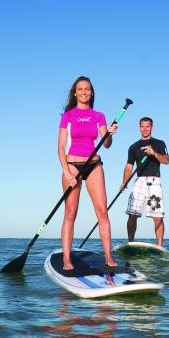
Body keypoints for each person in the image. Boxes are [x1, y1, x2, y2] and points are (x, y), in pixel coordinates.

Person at [57, 76, 117, 270]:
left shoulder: (98, 115)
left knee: (102, 212)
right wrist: (67, 173)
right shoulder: (68, 115)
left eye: (87, 89)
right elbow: (60, 148)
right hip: (72, 165)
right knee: (71, 213)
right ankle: (67, 259)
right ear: (75, 93)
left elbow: (106, 144)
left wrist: (108, 134)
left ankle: (109, 257)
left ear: (92, 92)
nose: (84, 92)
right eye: (80, 89)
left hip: (94, 165)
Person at [120, 117, 169, 247]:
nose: (145, 129)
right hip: (139, 181)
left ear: (152, 127)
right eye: (142, 126)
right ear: (139, 127)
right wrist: (124, 182)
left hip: (154, 180)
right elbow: (129, 166)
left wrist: (153, 153)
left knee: (157, 216)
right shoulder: (133, 147)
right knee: (132, 213)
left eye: (147, 126)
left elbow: (166, 160)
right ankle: (130, 243)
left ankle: (160, 246)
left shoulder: (159, 143)